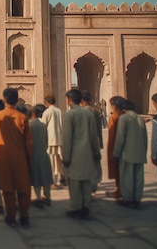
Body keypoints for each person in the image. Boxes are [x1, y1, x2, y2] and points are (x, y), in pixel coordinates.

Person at [0, 88, 33, 229]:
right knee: (23, 188)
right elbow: (28, 142)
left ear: (4, 100)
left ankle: (11, 216)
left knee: (7, 188)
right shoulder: (22, 117)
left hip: (3, 157)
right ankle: (24, 216)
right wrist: (30, 159)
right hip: (20, 157)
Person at [62, 89, 100, 220]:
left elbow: (67, 138)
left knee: (75, 182)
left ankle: (76, 208)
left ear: (70, 100)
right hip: (88, 152)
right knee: (86, 181)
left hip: (75, 154)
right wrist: (96, 152)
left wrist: (66, 157)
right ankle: (86, 207)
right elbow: (94, 135)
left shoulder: (70, 115)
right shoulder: (88, 113)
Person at [113, 99, 147, 209]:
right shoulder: (140, 119)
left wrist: (116, 152)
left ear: (123, 109)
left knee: (127, 177)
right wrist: (144, 151)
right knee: (138, 177)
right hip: (139, 152)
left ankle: (128, 199)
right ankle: (137, 199)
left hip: (127, 153)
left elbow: (120, 137)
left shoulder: (124, 118)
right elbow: (145, 137)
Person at [29, 104, 53, 209]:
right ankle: (47, 197)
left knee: (36, 179)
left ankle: (38, 198)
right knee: (46, 178)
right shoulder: (43, 125)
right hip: (44, 154)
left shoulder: (28, 125)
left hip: (34, 155)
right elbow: (46, 141)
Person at [80, 90, 103, 194]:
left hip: (85, 142)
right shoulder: (95, 111)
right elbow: (99, 129)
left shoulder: (82, 112)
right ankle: (95, 182)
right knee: (96, 163)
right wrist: (100, 143)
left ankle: (89, 186)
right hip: (95, 141)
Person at [42, 94, 65, 188]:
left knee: (51, 162)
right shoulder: (59, 111)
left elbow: (43, 125)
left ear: (46, 102)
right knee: (59, 161)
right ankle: (61, 179)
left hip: (51, 140)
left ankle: (53, 181)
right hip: (60, 139)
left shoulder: (47, 112)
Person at [106, 96, 125, 199]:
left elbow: (112, 135)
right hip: (125, 146)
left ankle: (120, 189)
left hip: (116, 146)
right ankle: (121, 188)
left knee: (117, 169)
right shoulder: (125, 114)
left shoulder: (114, 117)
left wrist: (112, 150)